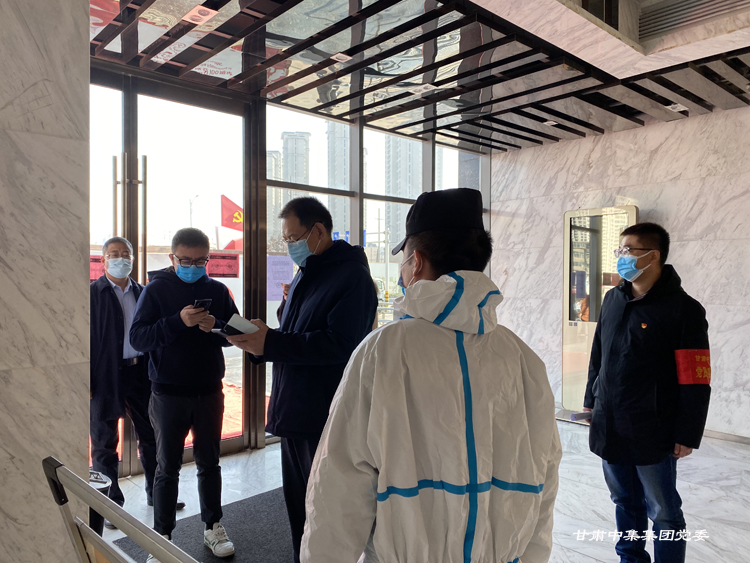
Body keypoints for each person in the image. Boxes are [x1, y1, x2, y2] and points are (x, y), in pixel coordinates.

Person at [299, 188, 561, 563]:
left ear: (417, 262)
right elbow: (545, 480)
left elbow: (340, 481)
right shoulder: (524, 359)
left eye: (404, 262)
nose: (402, 273)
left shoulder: (383, 351)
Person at [226, 197, 377, 563]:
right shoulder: (306, 274)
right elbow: (295, 335)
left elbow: (342, 345)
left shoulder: (352, 277)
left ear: (318, 231)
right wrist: (261, 340)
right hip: (294, 410)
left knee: (324, 512)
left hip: (323, 415)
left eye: (293, 238)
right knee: (300, 509)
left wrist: (272, 342)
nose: (290, 246)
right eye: (287, 239)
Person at [583, 222, 711, 563]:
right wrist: (591, 403)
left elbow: (695, 376)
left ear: (653, 256)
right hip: (610, 421)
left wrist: (687, 432)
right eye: (619, 250)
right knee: (624, 501)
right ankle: (630, 558)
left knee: (663, 510)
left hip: (653, 426)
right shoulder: (613, 298)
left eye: (628, 250)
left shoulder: (684, 309)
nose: (621, 256)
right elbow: (598, 355)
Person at [130, 228, 238, 561]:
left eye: (200, 261)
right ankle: (162, 537)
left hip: (209, 391)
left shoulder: (217, 289)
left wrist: (216, 325)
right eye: (186, 261)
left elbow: (234, 333)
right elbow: (138, 338)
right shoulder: (156, 290)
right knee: (167, 467)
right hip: (168, 394)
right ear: (172, 258)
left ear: (209, 258)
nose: (193, 266)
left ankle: (213, 526)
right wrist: (177, 321)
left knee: (210, 463)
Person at [90, 237, 185, 529]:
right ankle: (110, 506)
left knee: (152, 436)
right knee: (104, 443)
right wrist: (87, 380)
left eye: (125, 254)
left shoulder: (143, 292)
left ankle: (158, 495)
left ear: (132, 259)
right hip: (106, 376)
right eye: (114, 254)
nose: (121, 259)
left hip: (141, 373)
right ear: (103, 260)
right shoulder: (91, 294)